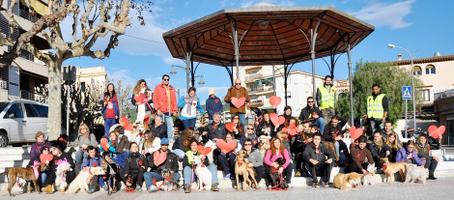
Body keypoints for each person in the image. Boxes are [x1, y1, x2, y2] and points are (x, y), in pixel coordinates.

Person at [153, 74, 178, 140]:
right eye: (165, 79)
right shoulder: (158, 87)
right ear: (162, 80)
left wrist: (175, 110)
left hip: (169, 111)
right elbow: (155, 98)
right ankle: (158, 140)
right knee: (160, 126)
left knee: (170, 125)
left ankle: (169, 141)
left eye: (167, 79)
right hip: (161, 110)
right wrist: (157, 109)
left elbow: (174, 100)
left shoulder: (172, 88)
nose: (166, 80)